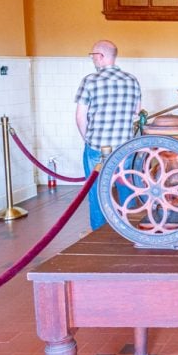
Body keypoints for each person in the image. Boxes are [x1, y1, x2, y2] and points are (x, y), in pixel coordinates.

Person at [75, 40, 141, 231]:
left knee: (95, 190)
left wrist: (87, 139)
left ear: (101, 56)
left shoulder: (90, 81)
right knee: (125, 185)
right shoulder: (131, 80)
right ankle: (130, 227)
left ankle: (98, 231)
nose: (92, 59)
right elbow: (137, 112)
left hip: (97, 145)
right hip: (124, 146)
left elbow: (80, 116)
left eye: (93, 55)